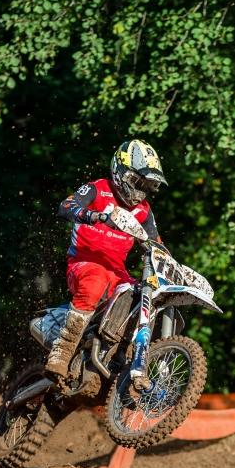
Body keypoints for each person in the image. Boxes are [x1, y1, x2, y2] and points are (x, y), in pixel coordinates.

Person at [45, 139, 168, 384]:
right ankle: (63, 350)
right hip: (84, 262)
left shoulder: (144, 211)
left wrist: (169, 263)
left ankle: (125, 359)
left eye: (147, 186)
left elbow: (158, 245)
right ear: (121, 172)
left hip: (117, 272)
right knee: (96, 280)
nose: (141, 191)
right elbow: (66, 206)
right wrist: (95, 216)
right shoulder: (98, 189)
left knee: (145, 298)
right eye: (138, 183)